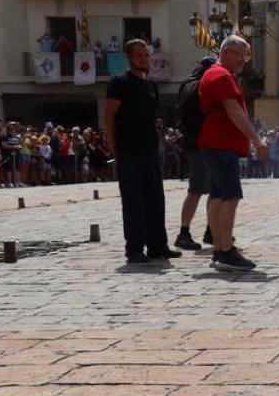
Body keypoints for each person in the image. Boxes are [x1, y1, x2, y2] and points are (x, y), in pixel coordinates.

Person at [103, 39, 180, 263]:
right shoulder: (120, 83)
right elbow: (109, 116)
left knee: (156, 199)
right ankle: (135, 248)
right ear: (129, 58)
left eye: (146, 55)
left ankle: (158, 246)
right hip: (128, 150)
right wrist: (112, 144)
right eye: (139, 56)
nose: (144, 59)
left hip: (150, 150)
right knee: (133, 201)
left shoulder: (151, 85)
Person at [197, 35, 267, 271]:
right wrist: (257, 140)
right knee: (231, 195)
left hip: (216, 144)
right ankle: (226, 250)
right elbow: (234, 110)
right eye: (241, 55)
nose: (243, 61)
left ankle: (219, 249)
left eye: (245, 57)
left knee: (217, 197)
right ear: (226, 51)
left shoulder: (215, 74)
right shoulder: (220, 75)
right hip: (220, 144)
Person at [173, 57, 217, 251]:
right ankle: (184, 233)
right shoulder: (201, 86)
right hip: (203, 143)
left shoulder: (186, 85)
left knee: (211, 189)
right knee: (197, 190)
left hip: (194, 142)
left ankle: (211, 230)